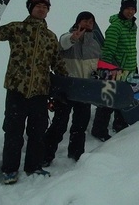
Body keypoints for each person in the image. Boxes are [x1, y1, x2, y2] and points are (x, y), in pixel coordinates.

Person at [0, 0, 68, 185]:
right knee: (13, 133)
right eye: (38, 6)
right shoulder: (17, 28)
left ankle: (33, 166)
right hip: (17, 91)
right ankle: (9, 170)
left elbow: (57, 64)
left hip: (39, 94)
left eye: (45, 7)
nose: (41, 9)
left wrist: (66, 84)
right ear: (30, 8)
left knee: (37, 134)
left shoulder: (51, 37)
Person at [43, 11, 101, 166]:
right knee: (59, 125)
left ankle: (76, 154)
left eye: (91, 22)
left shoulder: (95, 44)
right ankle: (45, 156)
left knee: (80, 126)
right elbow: (62, 43)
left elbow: (97, 65)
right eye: (85, 21)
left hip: (84, 91)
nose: (88, 24)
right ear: (77, 22)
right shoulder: (68, 38)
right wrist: (73, 38)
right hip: (66, 90)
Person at [91, 0, 138, 141]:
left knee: (123, 98)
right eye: (127, 8)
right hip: (115, 70)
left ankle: (120, 123)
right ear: (122, 9)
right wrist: (109, 72)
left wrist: (133, 67)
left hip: (128, 69)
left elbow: (130, 48)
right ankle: (99, 130)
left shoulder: (132, 26)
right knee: (108, 100)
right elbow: (108, 52)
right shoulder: (115, 27)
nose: (130, 12)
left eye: (132, 9)